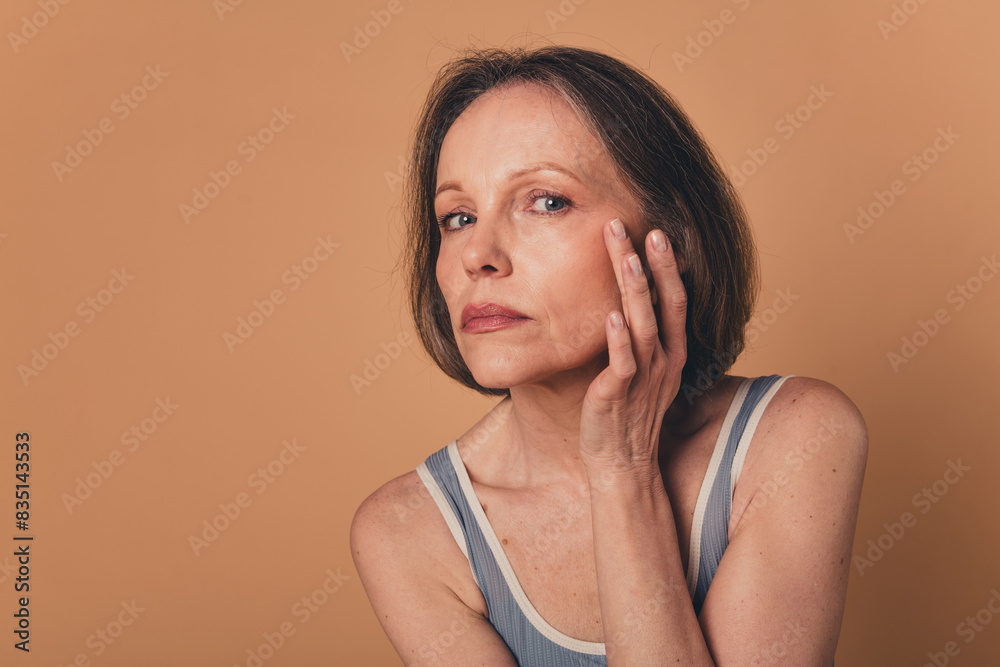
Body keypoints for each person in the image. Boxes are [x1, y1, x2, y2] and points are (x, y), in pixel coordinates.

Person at [351, 43, 867, 666]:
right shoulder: (407, 531)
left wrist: (624, 473)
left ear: (666, 238)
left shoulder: (797, 436)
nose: (477, 255)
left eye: (546, 201)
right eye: (457, 216)